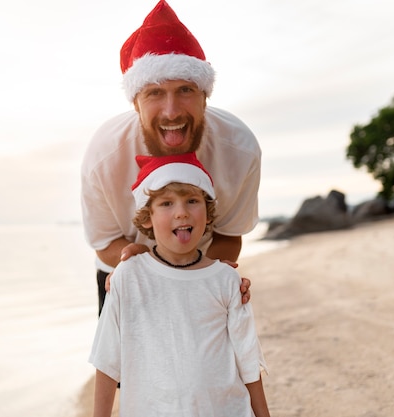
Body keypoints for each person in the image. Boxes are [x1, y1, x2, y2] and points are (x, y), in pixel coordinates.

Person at [81, 0, 261, 315]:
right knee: (120, 364)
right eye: (154, 93)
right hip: (126, 278)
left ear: (205, 97)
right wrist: (142, 263)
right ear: (135, 104)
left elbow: (229, 236)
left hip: (203, 272)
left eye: (186, 90)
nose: (172, 110)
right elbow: (105, 242)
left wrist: (196, 274)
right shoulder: (103, 155)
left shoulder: (240, 148)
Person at [90, 152, 270, 417]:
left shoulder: (226, 279)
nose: (181, 213)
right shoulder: (129, 277)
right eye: (166, 203)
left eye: (192, 200)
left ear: (208, 215)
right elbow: (107, 360)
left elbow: (248, 360)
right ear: (147, 217)